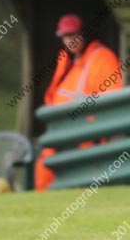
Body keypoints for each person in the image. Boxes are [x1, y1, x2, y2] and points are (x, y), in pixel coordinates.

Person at [34, 14, 123, 190]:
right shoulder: (65, 59)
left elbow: (112, 103)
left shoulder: (102, 57)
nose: (70, 41)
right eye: (66, 36)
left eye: (74, 35)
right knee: (44, 166)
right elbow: (53, 96)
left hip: (88, 135)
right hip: (62, 133)